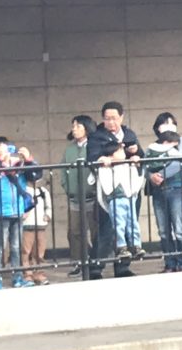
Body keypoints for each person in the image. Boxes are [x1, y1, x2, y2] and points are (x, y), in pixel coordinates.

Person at [87, 101, 144, 277]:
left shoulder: (129, 134)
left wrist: (135, 154)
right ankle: (96, 266)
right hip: (109, 188)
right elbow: (92, 158)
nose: (111, 122)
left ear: (121, 117)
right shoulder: (97, 137)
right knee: (107, 228)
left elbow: (140, 155)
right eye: (107, 119)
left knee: (128, 223)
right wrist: (108, 157)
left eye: (114, 118)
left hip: (129, 186)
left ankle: (123, 266)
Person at [142, 113, 182, 273]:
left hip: (178, 188)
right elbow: (145, 167)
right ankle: (170, 262)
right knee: (163, 230)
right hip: (159, 191)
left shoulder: (181, 141)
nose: (169, 126)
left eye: (172, 123)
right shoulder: (152, 147)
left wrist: (161, 175)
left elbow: (181, 161)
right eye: (165, 123)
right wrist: (151, 176)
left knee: (178, 228)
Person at [0, 139, 36, 289]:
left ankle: (17, 277)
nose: (2, 151)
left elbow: (36, 175)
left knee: (16, 246)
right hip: (1, 212)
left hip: (17, 211)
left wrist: (29, 159)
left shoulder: (18, 165)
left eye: (4, 148)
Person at [60, 117, 94, 278]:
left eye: (78, 126)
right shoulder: (69, 149)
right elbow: (63, 171)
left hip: (93, 196)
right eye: (73, 126)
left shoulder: (94, 146)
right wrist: (67, 188)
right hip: (74, 197)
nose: (74, 129)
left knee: (95, 231)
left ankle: (95, 262)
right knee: (74, 232)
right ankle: (78, 263)